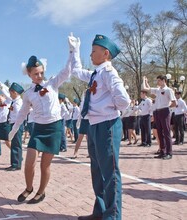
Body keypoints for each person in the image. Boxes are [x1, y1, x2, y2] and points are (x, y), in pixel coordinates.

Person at [69, 34, 130, 220]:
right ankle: (100, 211)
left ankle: (113, 216)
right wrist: (74, 51)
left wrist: (109, 110)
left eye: (93, 51)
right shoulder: (96, 74)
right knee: (97, 171)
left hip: (107, 125)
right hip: (94, 125)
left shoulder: (109, 73)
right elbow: (76, 71)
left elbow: (124, 101)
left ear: (105, 53)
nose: (91, 54)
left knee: (110, 173)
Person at [8, 51, 72, 204]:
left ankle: (41, 192)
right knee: (29, 162)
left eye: (41, 72)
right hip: (39, 129)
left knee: (45, 165)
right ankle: (29, 188)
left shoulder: (52, 83)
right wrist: (14, 129)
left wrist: (72, 52)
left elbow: (67, 71)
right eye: (36, 73)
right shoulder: (28, 93)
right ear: (29, 74)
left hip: (54, 127)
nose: (39, 76)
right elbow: (22, 113)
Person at [142, 75, 177, 160]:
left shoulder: (169, 90)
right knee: (159, 133)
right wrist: (144, 80)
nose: (157, 82)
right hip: (157, 112)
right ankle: (162, 151)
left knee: (166, 132)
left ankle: (169, 153)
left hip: (164, 111)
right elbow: (146, 88)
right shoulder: (157, 90)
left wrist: (167, 108)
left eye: (159, 80)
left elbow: (174, 103)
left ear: (164, 80)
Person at [0, 82, 24, 171]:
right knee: (14, 145)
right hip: (13, 124)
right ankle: (15, 163)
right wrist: (2, 87)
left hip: (16, 125)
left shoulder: (18, 103)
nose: (10, 95)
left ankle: (16, 164)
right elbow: (7, 95)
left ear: (15, 93)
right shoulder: (15, 101)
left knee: (16, 145)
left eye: (11, 93)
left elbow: (18, 117)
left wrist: (14, 128)